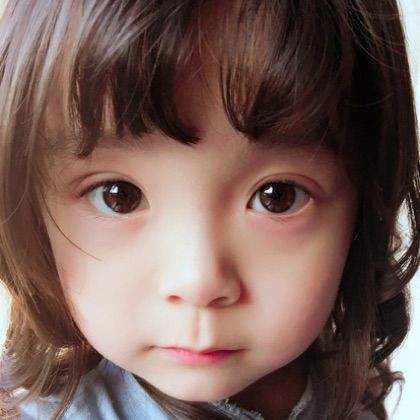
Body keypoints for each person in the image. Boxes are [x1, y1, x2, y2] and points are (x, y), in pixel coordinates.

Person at [0, 0, 418, 419]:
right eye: (118, 196)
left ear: (363, 208)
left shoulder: (348, 395)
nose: (198, 282)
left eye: (277, 196)